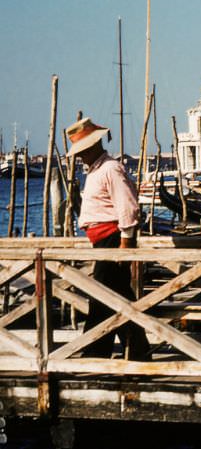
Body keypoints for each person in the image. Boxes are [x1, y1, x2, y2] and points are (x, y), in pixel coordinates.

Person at [66, 117, 150, 360]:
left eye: (82, 152)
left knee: (102, 297)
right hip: (102, 240)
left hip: (112, 239)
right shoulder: (97, 169)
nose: (80, 157)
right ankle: (137, 350)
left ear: (92, 147)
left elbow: (127, 206)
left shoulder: (110, 168)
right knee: (118, 297)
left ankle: (96, 353)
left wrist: (125, 242)